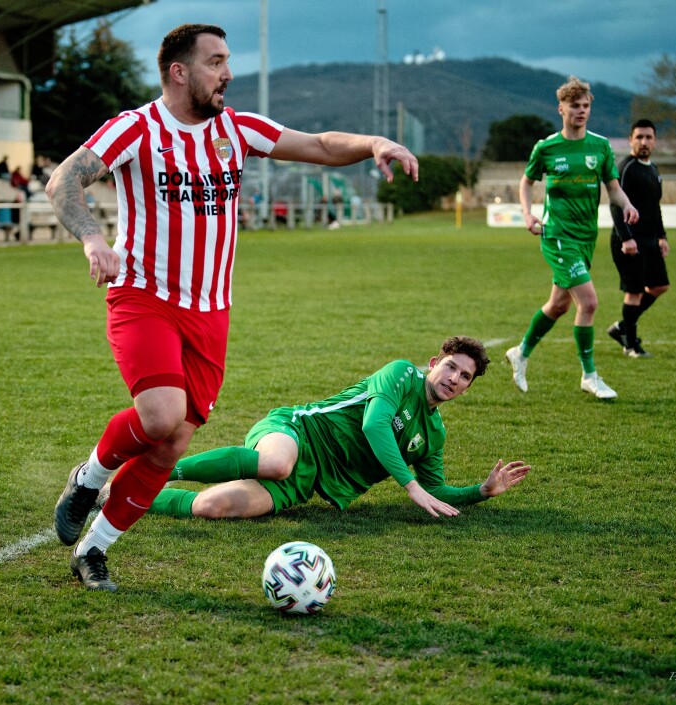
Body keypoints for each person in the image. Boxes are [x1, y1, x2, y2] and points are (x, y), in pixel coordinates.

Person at [47, 23, 419, 592]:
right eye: (215, 62)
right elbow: (64, 180)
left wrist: (372, 144)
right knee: (160, 418)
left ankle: (93, 550)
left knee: (171, 444)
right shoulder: (136, 128)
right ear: (179, 71)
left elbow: (318, 145)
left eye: (226, 61)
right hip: (144, 296)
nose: (227, 73)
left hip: (210, 313)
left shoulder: (237, 128)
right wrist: (93, 238)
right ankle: (89, 476)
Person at [98, 336, 530, 531]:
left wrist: (481, 491)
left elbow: (439, 492)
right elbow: (374, 424)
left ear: (468, 388)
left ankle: (119, 496)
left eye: (464, 376)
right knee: (276, 463)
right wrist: (409, 486)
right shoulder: (400, 375)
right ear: (433, 362)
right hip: (296, 431)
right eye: (450, 366)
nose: (454, 377)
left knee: (212, 507)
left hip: (309, 483)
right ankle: (161, 470)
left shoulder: (432, 437)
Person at [505, 76, 638, 400]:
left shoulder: (600, 146)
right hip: (557, 236)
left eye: (586, 106)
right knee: (589, 301)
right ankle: (590, 376)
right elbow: (526, 182)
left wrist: (628, 203)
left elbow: (613, 188)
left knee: (559, 305)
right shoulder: (547, 147)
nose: (581, 111)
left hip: (585, 238)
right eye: (575, 106)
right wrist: (527, 212)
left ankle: (520, 353)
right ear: (560, 108)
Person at [606, 119, 669, 358]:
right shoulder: (626, 168)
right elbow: (615, 204)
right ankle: (631, 345)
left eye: (649, 137)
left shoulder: (653, 169)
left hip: (650, 239)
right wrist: (626, 239)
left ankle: (623, 326)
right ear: (631, 139)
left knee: (659, 286)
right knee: (634, 292)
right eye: (639, 137)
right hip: (629, 240)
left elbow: (655, 207)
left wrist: (662, 236)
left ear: (654, 141)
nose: (644, 142)